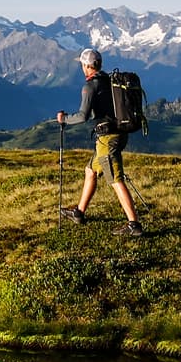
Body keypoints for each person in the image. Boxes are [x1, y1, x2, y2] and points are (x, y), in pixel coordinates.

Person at [56, 49, 143, 236]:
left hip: (107, 139)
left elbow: (82, 116)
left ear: (87, 66)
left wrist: (64, 120)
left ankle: (134, 224)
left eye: (82, 65)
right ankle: (78, 212)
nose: (82, 68)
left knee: (116, 179)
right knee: (91, 170)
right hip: (119, 134)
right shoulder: (108, 80)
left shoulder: (90, 87)